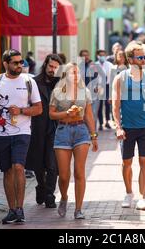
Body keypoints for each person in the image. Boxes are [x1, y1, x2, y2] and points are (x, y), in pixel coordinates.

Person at [0, 49, 43, 224]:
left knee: (18, 167)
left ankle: (20, 209)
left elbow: (38, 108)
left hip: (22, 132)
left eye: (21, 62)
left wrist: (21, 111)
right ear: (6, 63)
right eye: (15, 62)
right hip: (0, 133)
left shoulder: (29, 81)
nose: (19, 65)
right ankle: (12, 209)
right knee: (7, 170)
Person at [112, 40, 145, 211]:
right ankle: (128, 192)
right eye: (140, 57)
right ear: (130, 59)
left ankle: (142, 197)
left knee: (144, 161)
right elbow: (115, 106)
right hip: (127, 127)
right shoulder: (121, 78)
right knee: (127, 162)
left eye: (144, 56)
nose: (144, 60)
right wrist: (118, 127)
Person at [49, 63, 99, 219]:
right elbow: (51, 114)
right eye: (72, 73)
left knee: (79, 172)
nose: (76, 76)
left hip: (81, 131)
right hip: (63, 131)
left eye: (78, 73)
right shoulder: (57, 92)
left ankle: (78, 209)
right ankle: (64, 197)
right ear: (65, 75)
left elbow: (89, 115)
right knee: (63, 175)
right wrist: (66, 113)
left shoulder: (85, 92)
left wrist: (93, 135)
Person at [25, 54, 63, 208]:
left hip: (55, 128)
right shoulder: (34, 82)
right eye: (50, 66)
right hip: (37, 127)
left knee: (52, 164)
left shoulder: (61, 84)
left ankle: (49, 194)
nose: (52, 70)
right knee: (38, 164)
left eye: (55, 67)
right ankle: (41, 186)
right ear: (45, 65)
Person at [95, 49, 114, 131]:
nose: (102, 57)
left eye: (104, 55)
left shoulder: (109, 65)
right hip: (99, 86)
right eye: (100, 55)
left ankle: (107, 122)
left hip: (107, 85)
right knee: (99, 105)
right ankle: (101, 123)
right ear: (98, 56)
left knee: (107, 104)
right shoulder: (95, 65)